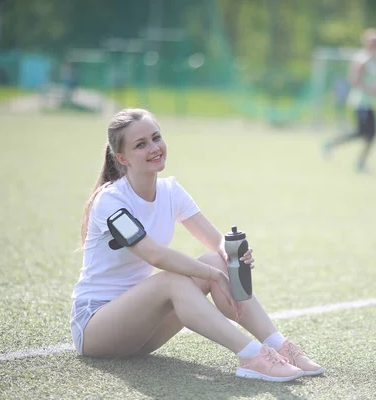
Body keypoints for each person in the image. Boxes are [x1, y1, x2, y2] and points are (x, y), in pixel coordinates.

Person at [71, 108, 324, 382]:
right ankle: (251, 355)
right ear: (122, 158)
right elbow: (154, 255)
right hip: (96, 328)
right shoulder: (110, 201)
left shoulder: (170, 191)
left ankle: (279, 345)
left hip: (141, 333)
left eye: (156, 138)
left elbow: (216, 242)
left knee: (216, 260)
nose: (154, 148)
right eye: (141, 144)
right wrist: (212, 275)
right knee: (175, 280)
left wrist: (232, 254)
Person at [322, 28, 376, 172]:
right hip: (360, 102)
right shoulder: (361, 59)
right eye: (373, 41)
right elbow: (355, 81)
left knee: (372, 134)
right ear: (365, 42)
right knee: (361, 133)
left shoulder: (374, 60)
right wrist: (375, 89)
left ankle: (360, 162)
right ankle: (331, 144)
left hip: (369, 103)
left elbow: (375, 80)